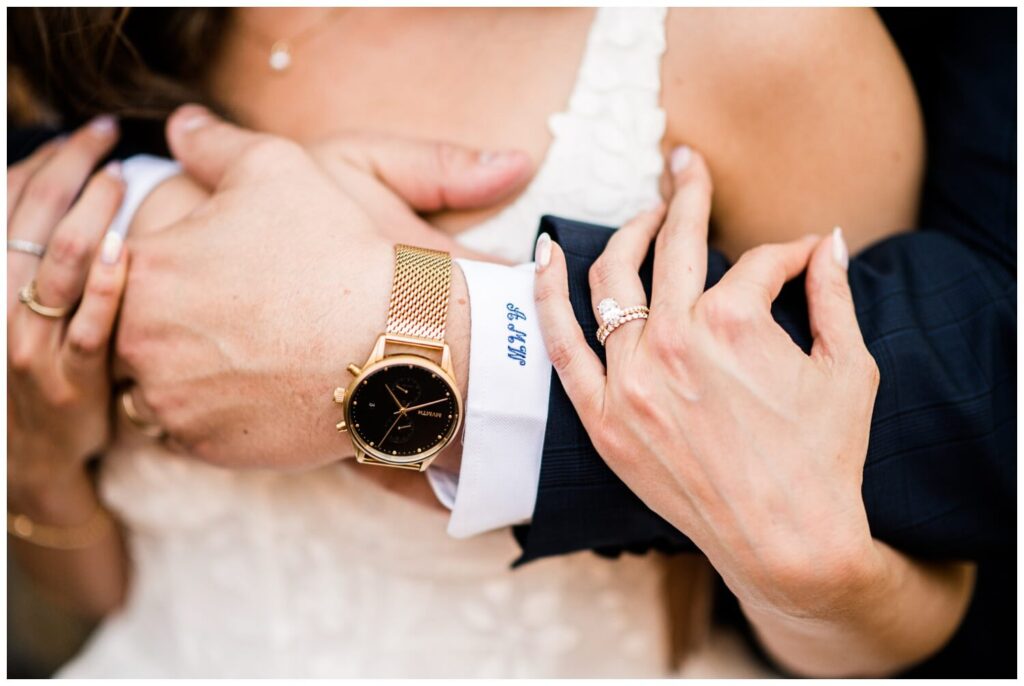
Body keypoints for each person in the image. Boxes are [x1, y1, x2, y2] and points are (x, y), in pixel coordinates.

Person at [6, 6, 1005, 677]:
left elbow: (889, 561)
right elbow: (110, 582)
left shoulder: (756, 41)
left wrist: (403, 321)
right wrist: (38, 465)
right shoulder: (87, 35)